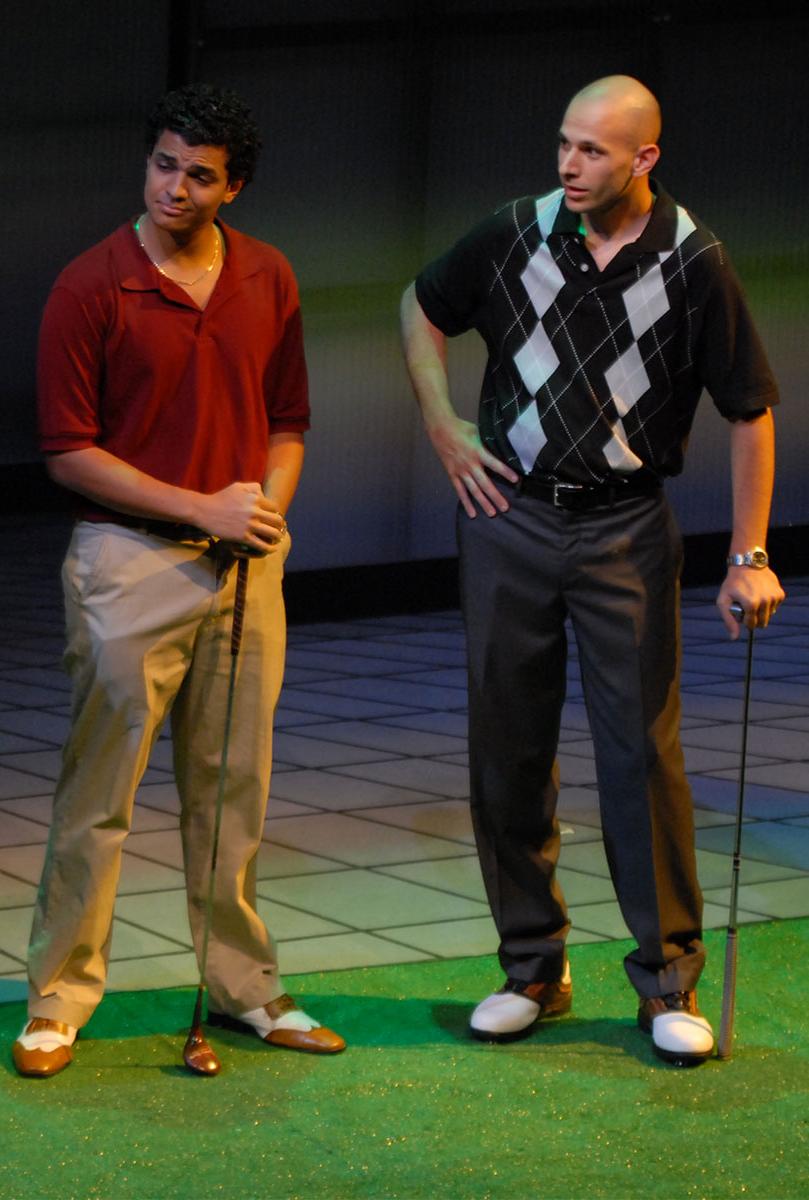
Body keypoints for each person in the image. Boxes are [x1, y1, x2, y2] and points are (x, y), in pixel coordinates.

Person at [400, 75, 784, 1066]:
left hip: (623, 530)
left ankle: (665, 981)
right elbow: (419, 303)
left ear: (641, 159)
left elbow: (747, 410)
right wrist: (443, 428)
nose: (566, 165)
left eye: (590, 151)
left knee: (637, 756)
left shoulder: (692, 261)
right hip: (508, 519)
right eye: (561, 144)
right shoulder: (514, 232)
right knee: (507, 745)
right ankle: (530, 966)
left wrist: (748, 554)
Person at [14, 84, 343, 1079]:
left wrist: (262, 511)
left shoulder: (266, 276)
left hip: (244, 562)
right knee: (98, 792)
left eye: (197, 174)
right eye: (162, 164)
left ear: (229, 187)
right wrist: (198, 508)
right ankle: (58, 1000)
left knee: (232, 788)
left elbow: (286, 421)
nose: (173, 185)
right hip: (125, 560)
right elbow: (67, 453)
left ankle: (246, 988)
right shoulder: (91, 285)